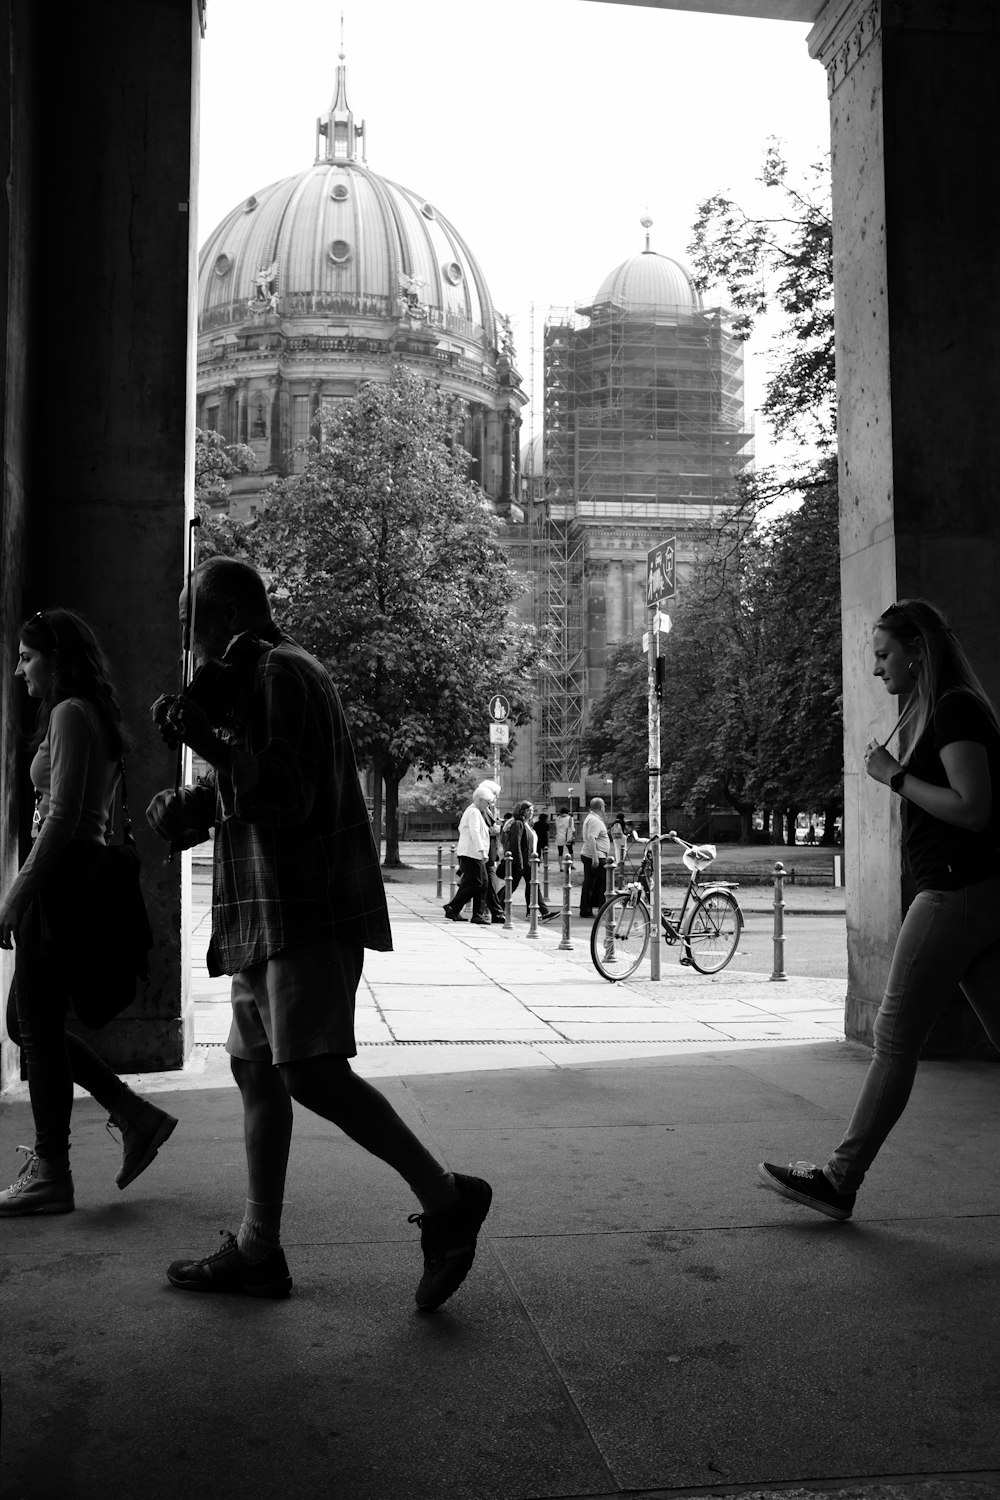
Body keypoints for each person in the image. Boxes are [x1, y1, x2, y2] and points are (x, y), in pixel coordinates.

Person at [147, 558, 491, 1304]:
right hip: (262, 913)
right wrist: (189, 809)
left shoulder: (285, 674)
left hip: (306, 907)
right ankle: (257, 1249)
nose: (186, 637)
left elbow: (292, 796)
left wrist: (209, 744)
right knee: (256, 1072)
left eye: (191, 619)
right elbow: (236, 788)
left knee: (308, 1073)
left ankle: (446, 1197)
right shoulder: (248, 684)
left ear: (231, 612)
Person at [759, 598, 1000, 1221]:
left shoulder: (955, 709)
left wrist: (894, 776)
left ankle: (840, 1179)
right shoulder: (941, 709)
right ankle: (840, 1178)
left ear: (918, 651)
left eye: (884, 654)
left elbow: (974, 809)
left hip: (953, 892)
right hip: (971, 893)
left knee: (893, 1038)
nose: (875, 669)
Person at [0, 608, 177, 1216]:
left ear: (57, 659)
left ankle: (53, 1170)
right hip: (66, 881)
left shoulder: (69, 712)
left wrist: (18, 894)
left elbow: (64, 818)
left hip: (60, 884)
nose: (20, 669)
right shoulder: (82, 713)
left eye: (28, 657)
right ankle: (132, 1115)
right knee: (29, 1022)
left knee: (33, 1025)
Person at [444, 783, 495, 927]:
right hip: (471, 854)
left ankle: (472, 913)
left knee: (481, 883)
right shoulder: (473, 812)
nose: (488, 805)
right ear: (479, 800)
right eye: (487, 802)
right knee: (478, 883)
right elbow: (475, 832)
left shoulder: (475, 811)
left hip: (473, 854)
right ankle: (454, 907)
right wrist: (482, 851)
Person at [504, 801, 557, 921]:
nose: (531, 813)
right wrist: (519, 862)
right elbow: (515, 844)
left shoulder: (527, 824)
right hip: (522, 861)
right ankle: (495, 906)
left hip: (529, 862)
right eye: (528, 810)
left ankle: (541, 912)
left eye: (532, 810)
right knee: (511, 885)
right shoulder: (518, 824)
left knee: (533, 886)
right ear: (522, 811)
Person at [579, 796, 611, 918]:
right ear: (600, 807)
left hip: (591, 854)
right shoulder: (595, 821)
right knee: (607, 878)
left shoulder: (592, 818)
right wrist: (595, 857)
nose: (605, 808)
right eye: (604, 806)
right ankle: (602, 907)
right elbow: (592, 838)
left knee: (591, 882)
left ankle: (587, 908)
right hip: (595, 854)